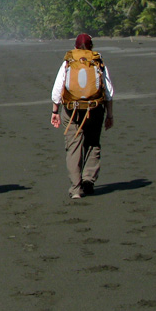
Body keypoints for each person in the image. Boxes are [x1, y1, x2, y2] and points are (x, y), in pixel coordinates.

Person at [50, 33, 115, 199]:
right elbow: (108, 92)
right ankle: (88, 179)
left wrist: (55, 111)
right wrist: (110, 114)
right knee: (93, 143)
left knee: (73, 147)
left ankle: (75, 189)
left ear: (75, 46)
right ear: (91, 46)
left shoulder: (69, 61)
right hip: (95, 109)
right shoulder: (98, 61)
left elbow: (57, 89)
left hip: (71, 110)